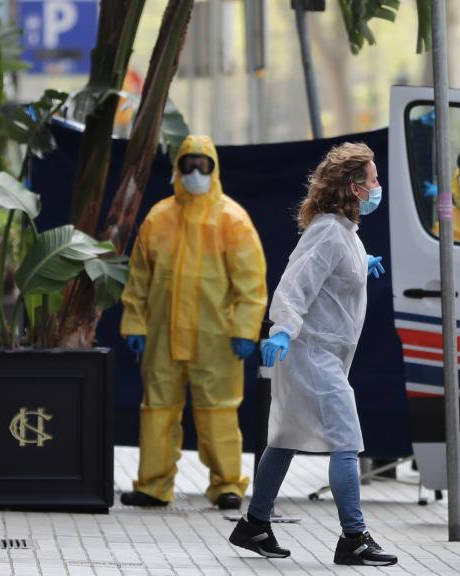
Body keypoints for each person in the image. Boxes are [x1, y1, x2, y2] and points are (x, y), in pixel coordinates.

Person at [228, 142, 397, 567]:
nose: (379, 187)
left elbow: (330, 268)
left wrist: (361, 264)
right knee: (346, 440)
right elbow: (295, 285)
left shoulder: (341, 231)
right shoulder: (327, 232)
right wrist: (282, 331)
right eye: (373, 181)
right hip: (311, 353)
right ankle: (354, 537)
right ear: (355, 188)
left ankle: (254, 524)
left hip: (319, 353)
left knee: (284, 437)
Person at [120, 135, 267, 511]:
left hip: (215, 337)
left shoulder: (232, 220)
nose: (196, 172)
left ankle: (227, 485)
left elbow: (251, 284)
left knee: (218, 410)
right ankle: (153, 485)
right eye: (189, 164)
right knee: (157, 409)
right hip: (162, 335)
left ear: (214, 168)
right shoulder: (158, 218)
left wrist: (245, 330)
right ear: (177, 168)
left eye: (203, 164)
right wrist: (134, 323)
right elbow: (138, 279)